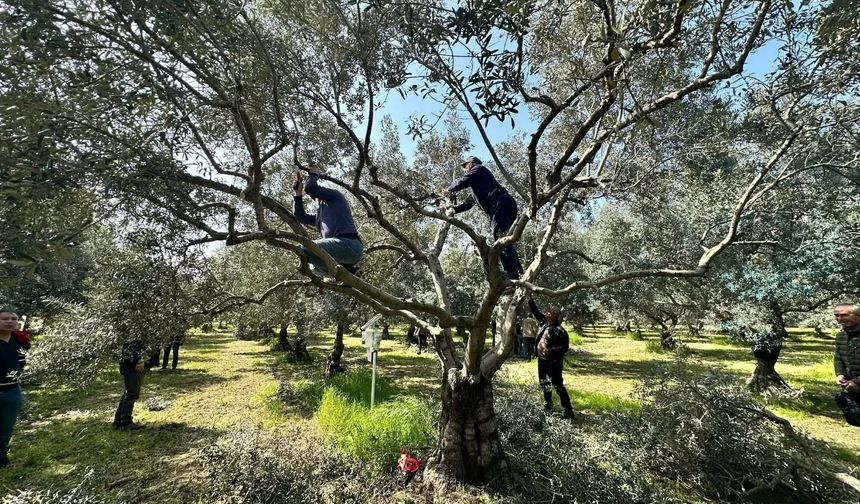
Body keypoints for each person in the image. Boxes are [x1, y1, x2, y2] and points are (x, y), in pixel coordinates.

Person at [443, 156, 523, 280]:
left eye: (465, 167)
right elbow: (468, 204)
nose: (465, 170)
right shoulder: (478, 185)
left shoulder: (479, 169)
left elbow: (463, 181)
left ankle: (512, 275)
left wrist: (448, 189)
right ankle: (518, 272)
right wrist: (453, 210)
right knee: (504, 238)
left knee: (501, 238)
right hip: (503, 204)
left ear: (470, 164)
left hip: (499, 203)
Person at [293, 168, 363, 275]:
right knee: (313, 268)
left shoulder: (335, 196)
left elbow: (310, 188)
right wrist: (298, 193)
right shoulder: (319, 217)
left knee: (304, 248)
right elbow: (300, 216)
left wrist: (314, 174)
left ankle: (345, 270)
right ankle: (347, 272)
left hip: (350, 245)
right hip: (341, 254)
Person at [528, 297, 574, 418]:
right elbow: (535, 311)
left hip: (553, 363)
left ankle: (568, 411)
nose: (547, 313)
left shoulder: (560, 331)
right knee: (544, 383)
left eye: (550, 312)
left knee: (557, 385)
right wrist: (529, 298)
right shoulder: (543, 322)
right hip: (542, 361)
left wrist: (550, 351)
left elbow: (564, 347)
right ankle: (548, 405)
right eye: (547, 311)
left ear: (555, 316)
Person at [113, 340, 159, 430]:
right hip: (130, 367)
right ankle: (126, 422)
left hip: (133, 366)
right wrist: (137, 363)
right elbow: (128, 352)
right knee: (132, 393)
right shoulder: (135, 337)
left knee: (129, 393)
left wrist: (146, 363)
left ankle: (119, 420)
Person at [0, 310, 26, 468]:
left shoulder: (20, 340)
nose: (10, 321)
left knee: (6, 428)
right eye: (5, 319)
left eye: (13, 319)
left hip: (12, 391)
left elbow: (22, 362)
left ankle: (1, 457)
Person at [834, 303, 860, 426]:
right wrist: (840, 374)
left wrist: (857, 382)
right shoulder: (841, 336)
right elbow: (838, 357)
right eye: (836, 315)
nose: (839, 319)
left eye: (844, 315)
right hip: (854, 389)